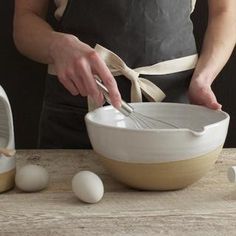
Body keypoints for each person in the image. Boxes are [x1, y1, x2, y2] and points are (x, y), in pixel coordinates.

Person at [13, 0, 236, 149]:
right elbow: (26, 18)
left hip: (173, 115)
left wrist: (203, 79)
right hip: (76, 116)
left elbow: (225, 11)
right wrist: (56, 45)